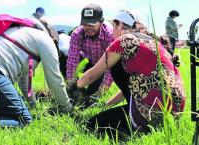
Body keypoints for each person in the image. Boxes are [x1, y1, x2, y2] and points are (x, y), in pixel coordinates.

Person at [77, 10, 186, 140]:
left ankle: (136, 128)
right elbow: (135, 84)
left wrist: (74, 86)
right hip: (173, 114)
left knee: (92, 125)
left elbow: (91, 76)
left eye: (114, 26)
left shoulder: (125, 40)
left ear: (121, 25)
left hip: (151, 113)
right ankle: (143, 122)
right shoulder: (153, 42)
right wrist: (107, 104)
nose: (112, 31)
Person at [66, 4, 114, 103]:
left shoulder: (109, 35)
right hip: (89, 60)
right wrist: (71, 84)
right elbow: (72, 60)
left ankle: (89, 93)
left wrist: (102, 90)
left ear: (101, 22)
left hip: (103, 66)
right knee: (63, 58)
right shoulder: (77, 34)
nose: (88, 27)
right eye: (85, 24)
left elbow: (111, 66)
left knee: (91, 94)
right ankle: (76, 88)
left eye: (92, 24)